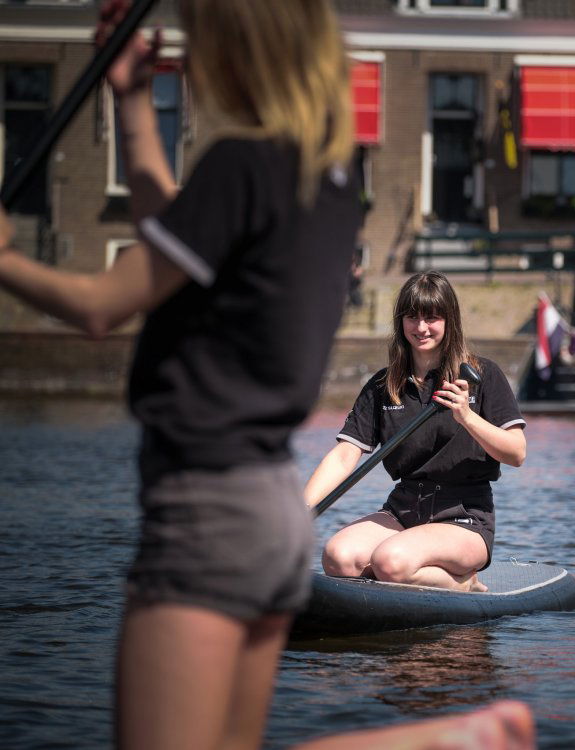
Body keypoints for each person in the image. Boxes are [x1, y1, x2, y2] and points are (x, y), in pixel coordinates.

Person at [0, 1, 533, 748]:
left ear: (235, 54)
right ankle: (439, 738)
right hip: (268, 514)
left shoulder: (237, 167)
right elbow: (172, 232)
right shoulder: (330, 181)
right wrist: (132, 103)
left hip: (204, 504)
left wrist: (7, 261)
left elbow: (100, 307)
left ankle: (431, 739)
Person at [304, 271, 527, 593]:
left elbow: (517, 454)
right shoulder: (383, 385)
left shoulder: (482, 375)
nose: (421, 328)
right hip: (404, 509)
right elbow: (343, 456)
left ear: (450, 320)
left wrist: (466, 416)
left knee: (390, 561)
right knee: (339, 558)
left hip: (464, 515)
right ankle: (403, 581)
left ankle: (464, 583)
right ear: (401, 322)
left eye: (432, 318)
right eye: (412, 317)